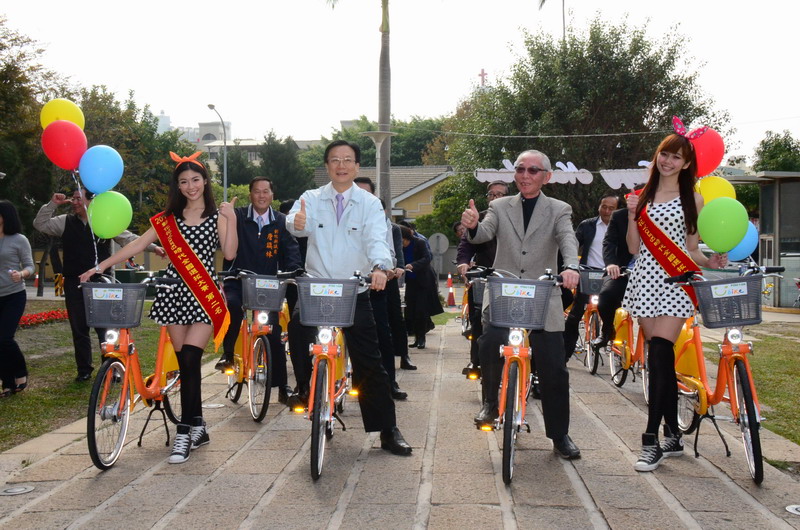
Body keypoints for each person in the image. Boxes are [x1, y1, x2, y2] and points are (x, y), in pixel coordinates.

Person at [79, 151, 238, 465]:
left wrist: (231, 217)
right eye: (184, 182)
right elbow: (136, 245)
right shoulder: (167, 220)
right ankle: (198, 426)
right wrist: (100, 266)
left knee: (192, 357)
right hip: (174, 293)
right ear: (177, 186)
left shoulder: (219, 215)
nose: (190, 186)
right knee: (185, 364)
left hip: (203, 294)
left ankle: (183, 431)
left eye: (195, 179)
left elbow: (230, 252)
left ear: (205, 181)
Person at [285, 140, 412, 456]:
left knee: (370, 361)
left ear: (357, 166)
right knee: (298, 331)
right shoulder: (311, 198)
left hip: (354, 289)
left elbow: (376, 241)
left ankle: (387, 430)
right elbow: (296, 223)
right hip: (317, 288)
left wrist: (381, 268)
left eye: (347, 160)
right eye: (334, 160)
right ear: (327, 166)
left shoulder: (368, 203)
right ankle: (305, 389)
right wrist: (295, 223)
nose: (341, 165)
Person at [461, 149, 582, 460]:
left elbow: (568, 238)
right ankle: (490, 403)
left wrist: (571, 267)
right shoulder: (499, 206)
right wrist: (473, 226)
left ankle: (559, 435)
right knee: (489, 343)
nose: (525, 175)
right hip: (505, 290)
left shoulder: (559, 209)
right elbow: (483, 233)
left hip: (543, 294)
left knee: (554, 366)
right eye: (520, 169)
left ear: (546, 176)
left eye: (533, 170)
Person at [623, 133, 726, 472]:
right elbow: (635, 248)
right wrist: (632, 215)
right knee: (658, 361)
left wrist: (709, 261)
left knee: (663, 350)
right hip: (646, 281)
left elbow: (692, 246)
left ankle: (651, 439)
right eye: (664, 154)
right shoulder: (644, 196)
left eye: (676, 157)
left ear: (686, 164)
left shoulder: (692, 199)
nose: (668, 161)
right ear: (658, 157)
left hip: (677, 281)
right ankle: (674, 436)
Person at [34, 189, 166, 382]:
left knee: (105, 328)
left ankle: (110, 367)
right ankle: (84, 370)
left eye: (79, 198)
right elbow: (40, 224)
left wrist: (154, 248)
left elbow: (129, 239)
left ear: (90, 201)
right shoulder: (65, 221)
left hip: (102, 282)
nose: (74, 202)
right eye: (74, 198)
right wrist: (52, 204)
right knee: (78, 328)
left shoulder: (104, 220)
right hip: (74, 282)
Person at [217, 177, 302, 406]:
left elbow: (291, 248)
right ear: (250, 194)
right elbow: (223, 243)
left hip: (268, 284)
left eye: (266, 191)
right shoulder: (239, 217)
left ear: (272, 195)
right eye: (257, 191)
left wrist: (294, 270)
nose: (261, 196)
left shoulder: (281, 221)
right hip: (237, 278)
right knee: (232, 306)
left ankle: (283, 387)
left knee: (273, 333)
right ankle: (227, 356)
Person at [353, 176, 409, 399]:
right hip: (344, 285)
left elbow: (388, 251)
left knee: (381, 334)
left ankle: (389, 383)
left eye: (366, 193)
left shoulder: (381, 220)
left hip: (374, 284)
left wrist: (387, 268)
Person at [456, 180, 508, 375]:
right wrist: (463, 262)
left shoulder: (516, 218)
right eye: (491, 195)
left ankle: (533, 371)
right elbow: (466, 244)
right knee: (478, 319)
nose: (495, 198)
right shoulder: (480, 219)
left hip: (513, 277)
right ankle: (476, 362)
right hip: (485, 276)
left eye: (500, 195)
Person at [562, 193, 619, 361]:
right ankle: (564, 355)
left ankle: (608, 332)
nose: (607, 211)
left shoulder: (622, 226)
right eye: (604, 206)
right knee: (575, 315)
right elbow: (572, 246)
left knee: (610, 308)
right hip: (588, 273)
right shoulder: (587, 225)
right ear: (599, 206)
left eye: (611, 208)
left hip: (612, 275)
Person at [591, 187, 643, 354]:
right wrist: (611, 263)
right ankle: (607, 331)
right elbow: (609, 242)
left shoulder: (661, 216)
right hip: (624, 269)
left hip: (653, 273)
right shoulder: (620, 216)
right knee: (606, 297)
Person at [0, 201, 34, 397]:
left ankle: (20, 372)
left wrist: (21, 274)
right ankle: (7, 382)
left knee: (4, 338)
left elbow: (31, 266)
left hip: (14, 295)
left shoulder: (19, 239)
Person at [401, 225, 443, 350]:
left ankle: (421, 339)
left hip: (424, 280)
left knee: (421, 310)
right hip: (411, 281)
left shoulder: (419, 242)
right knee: (411, 310)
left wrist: (413, 265)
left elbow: (427, 258)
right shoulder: (400, 248)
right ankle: (415, 337)